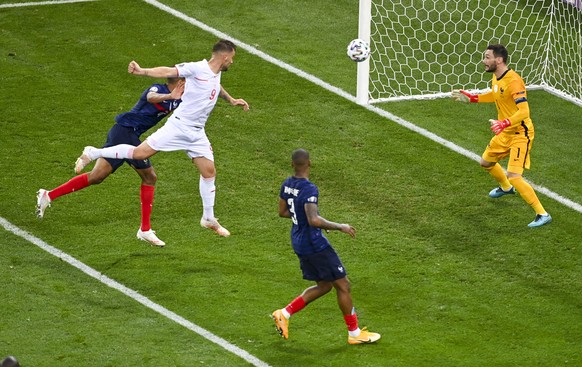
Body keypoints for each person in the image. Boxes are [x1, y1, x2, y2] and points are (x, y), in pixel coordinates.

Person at [73, 39, 250, 237]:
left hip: (197, 132)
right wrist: (142, 71)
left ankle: (208, 217)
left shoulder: (215, 73)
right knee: (140, 153)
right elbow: (167, 71)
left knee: (209, 172)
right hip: (179, 126)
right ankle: (94, 152)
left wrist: (231, 100)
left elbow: (216, 87)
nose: (232, 63)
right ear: (224, 57)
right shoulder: (196, 68)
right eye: (232, 59)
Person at [36, 78, 185, 247]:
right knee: (150, 177)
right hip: (125, 132)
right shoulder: (158, 89)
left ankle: (48, 195)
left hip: (125, 134)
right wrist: (169, 95)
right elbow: (151, 97)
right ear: (178, 80)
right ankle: (145, 229)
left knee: (97, 176)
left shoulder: (180, 96)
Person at [271, 149, 381, 345]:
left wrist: (313, 221)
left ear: (292, 165)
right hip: (314, 244)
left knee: (324, 286)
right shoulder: (309, 189)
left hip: (298, 241)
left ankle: (284, 313)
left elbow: (282, 212)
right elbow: (313, 220)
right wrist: (340, 226)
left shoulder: (287, 184)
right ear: (310, 163)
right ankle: (354, 334)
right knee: (343, 285)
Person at [452, 44, 552, 228]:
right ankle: (506, 188)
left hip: (520, 133)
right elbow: (496, 95)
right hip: (504, 132)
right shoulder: (497, 78)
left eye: (487, 57)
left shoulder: (514, 81)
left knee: (514, 175)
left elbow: (524, 111)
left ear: (499, 60)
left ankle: (542, 214)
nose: (484, 61)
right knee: (486, 163)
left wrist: (504, 122)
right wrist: (474, 98)